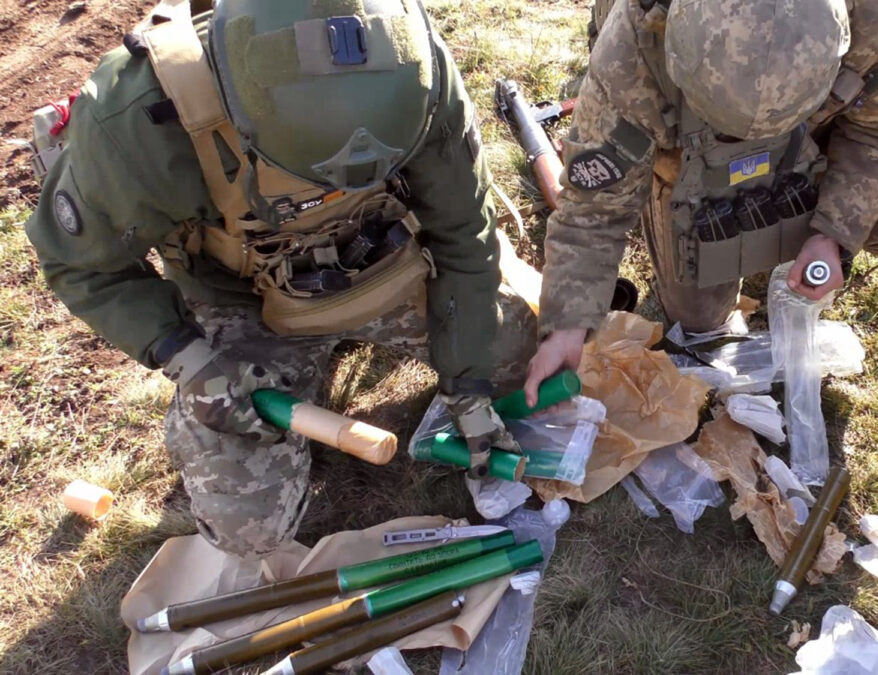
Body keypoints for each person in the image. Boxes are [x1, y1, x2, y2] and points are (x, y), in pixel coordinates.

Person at [23, 0, 535, 558]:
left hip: (386, 270)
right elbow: (82, 264)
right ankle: (209, 416)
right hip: (247, 304)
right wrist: (192, 362)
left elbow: (463, 232)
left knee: (519, 363)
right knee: (249, 527)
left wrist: (469, 385)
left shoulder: (412, 71)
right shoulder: (141, 120)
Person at [523, 0, 878, 404]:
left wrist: (833, 233)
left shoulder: (874, 17)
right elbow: (594, 211)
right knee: (701, 324)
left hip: (813, 130)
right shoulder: (633, 52)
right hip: (689, 152)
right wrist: (567, 326)